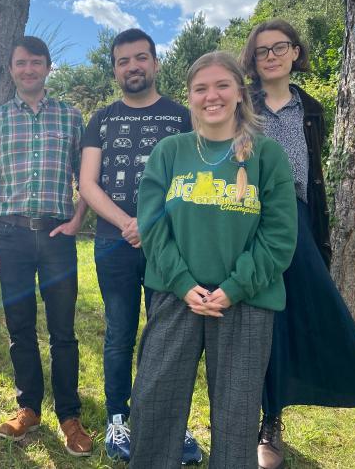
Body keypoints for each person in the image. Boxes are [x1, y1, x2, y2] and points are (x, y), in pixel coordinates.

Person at [240, 19, 355, 469]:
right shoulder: (241, 103)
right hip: (247, 214)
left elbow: (313, 173)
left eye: (279, 48)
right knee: (252, 312)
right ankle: (241, 412)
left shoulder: (311, 108)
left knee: (291, 315)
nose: (270, 56)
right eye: (262, 50)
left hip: (299, 217)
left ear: (294, 52)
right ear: (252, 59)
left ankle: (272, 421)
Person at [130, 51, 298, 468]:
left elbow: (279, 236)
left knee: (237, 415)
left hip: (247, 300)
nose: (212, 96)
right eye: (200, 88)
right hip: (175, 295)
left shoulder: (267, 155)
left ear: (240, 92)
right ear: (189, 98)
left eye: (222, 85)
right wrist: (184, 283)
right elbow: (152, 226)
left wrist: (234, 287)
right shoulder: (170, 152)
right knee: (155, 401)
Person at [80, 28, 201, 463]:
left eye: (140, 58)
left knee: (167, 337)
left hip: (169, 244)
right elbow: (88, 183)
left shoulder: (182, 118)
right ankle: (118, 419)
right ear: (114, 69)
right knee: (119, 333)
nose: (132, 67)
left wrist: (150, 225)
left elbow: (195, 180)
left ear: (155, 62)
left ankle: (170, 421)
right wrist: (127, 222)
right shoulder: (102, 119)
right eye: (123, 61)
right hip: (114, 243)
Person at [0, 36, 92, 457]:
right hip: (10, 236)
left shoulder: (71, 117)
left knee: (64, 330)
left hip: (57, 234)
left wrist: (78, 219)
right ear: (11, 69)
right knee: (19, 326)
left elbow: (87, 176)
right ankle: (28, 407)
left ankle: (69, 415)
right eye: (21, 63)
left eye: (36, 63)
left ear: (47, 67)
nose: (28, 69)